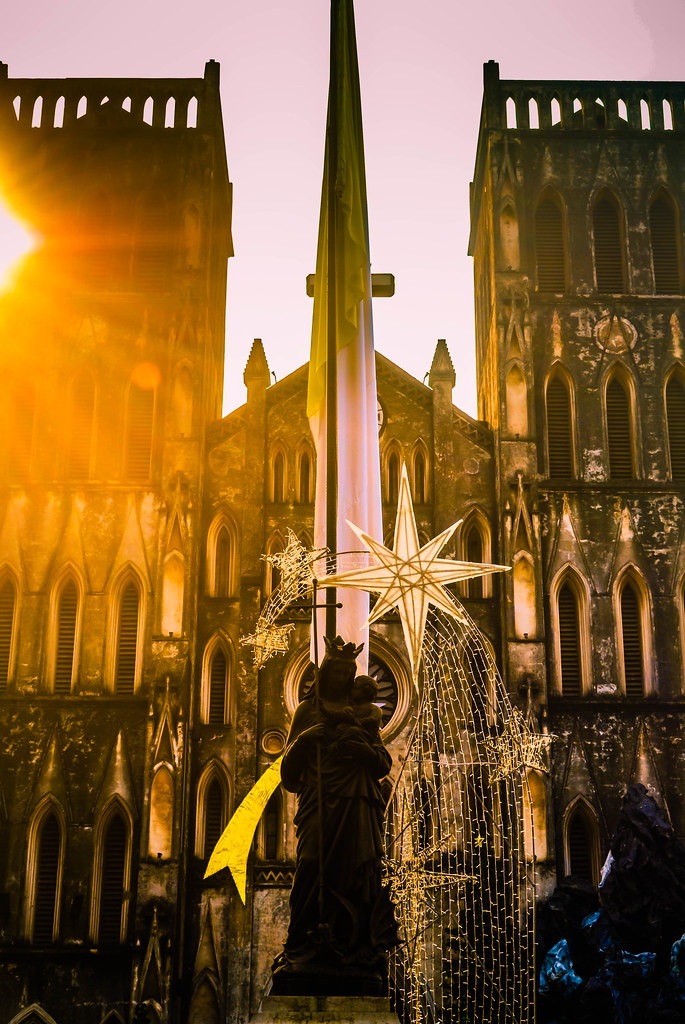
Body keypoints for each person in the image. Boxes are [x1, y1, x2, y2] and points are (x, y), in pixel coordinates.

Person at [274, 636, 395, 990]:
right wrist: (304, 741)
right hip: (318, 801)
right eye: (336, 672)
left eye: (347, 673)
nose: (341, 679)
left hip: (356, 802)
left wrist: (362, 751)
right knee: (311, 863)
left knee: (356, 875)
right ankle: (302, 945)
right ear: (326, 673)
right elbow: (288, 776)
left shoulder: (362, 713)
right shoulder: (307, 712)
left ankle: (351, 948)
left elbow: (382, 762)